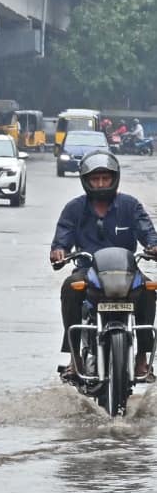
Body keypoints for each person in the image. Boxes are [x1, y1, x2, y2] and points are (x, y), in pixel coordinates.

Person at [50, 150, 157, 378]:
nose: (100, 184)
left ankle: (142, 358)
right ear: (86, 181)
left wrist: (153, 246)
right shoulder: (74, 208)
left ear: (114, 178)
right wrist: (58, 252)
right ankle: (74, 357)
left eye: (105, 178)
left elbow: (148, 233)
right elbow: (62, 239)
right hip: (89, 272)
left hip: (127, 272)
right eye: (95, 179)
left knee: (149, 289)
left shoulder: (130, 206)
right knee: (70, 287)